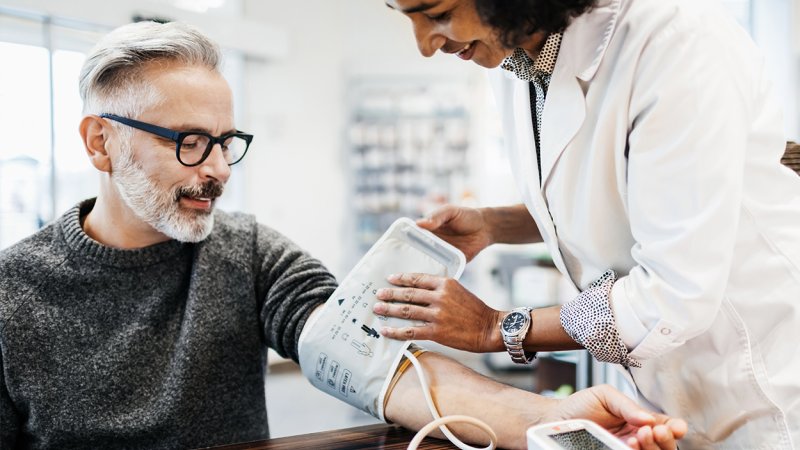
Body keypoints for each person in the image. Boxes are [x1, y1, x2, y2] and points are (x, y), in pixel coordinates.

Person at [0, 20, 686, 450]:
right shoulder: (12, 295)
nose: (215, 171)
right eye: (188, 143)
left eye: (224, 142)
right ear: (100, 142)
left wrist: (548, 420)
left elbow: (381, 368)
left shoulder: (245, 253)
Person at [377, 0, 800, 448]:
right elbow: (608, 199)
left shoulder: (675, 43)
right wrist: (494, 225)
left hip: (767, 389)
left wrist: (498, 327)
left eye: (438, 14)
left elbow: (674, 294)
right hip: (670, 392)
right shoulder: (516, 60)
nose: (426, 44)